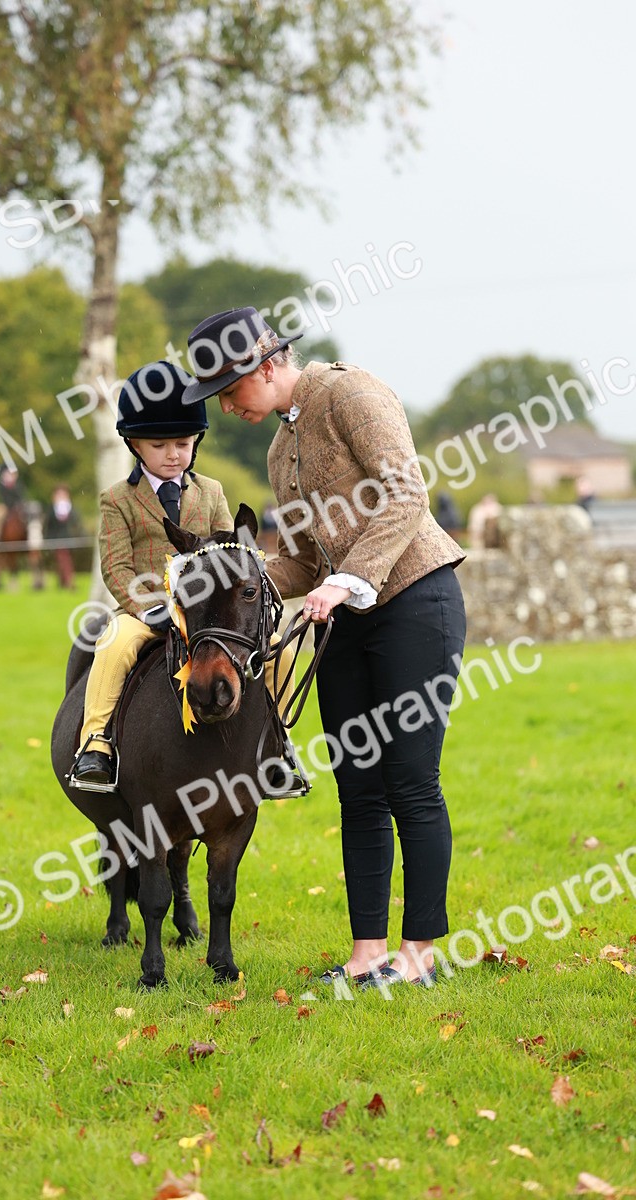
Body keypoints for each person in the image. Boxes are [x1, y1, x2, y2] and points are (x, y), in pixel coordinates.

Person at [183, 308, 467, 988]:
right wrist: (231, 580)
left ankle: (420, 956)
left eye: (229, 389)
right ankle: (368, 955)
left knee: (411, 782)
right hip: (345, 618)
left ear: (265, 365)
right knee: (357, 789)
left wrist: (348, 581)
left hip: (417, 604)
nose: (225, 405)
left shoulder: (350, 392)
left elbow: (405, 493)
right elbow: (304, 563)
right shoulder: (280, 453)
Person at [72, 360, 303, 798]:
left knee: (277, 652)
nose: (173, 454)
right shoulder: (117, 500)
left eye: (183, 442)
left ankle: (277, 743)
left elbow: (226, 550)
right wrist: (148, 607)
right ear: (134, 444)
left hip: (206, 611)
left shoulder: (211, 492)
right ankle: (97, 742)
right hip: (147, 610)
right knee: (114, 643)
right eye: (160, 445)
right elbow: (116, 567)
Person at [44, 485, 84, 589]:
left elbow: (77, 525)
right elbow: (48, 526)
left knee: (65, 560)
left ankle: (65, 582)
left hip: (70, 539)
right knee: (63, 559)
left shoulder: (72, 510)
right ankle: (68, 582)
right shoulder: (51, 510)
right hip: (57, 540)